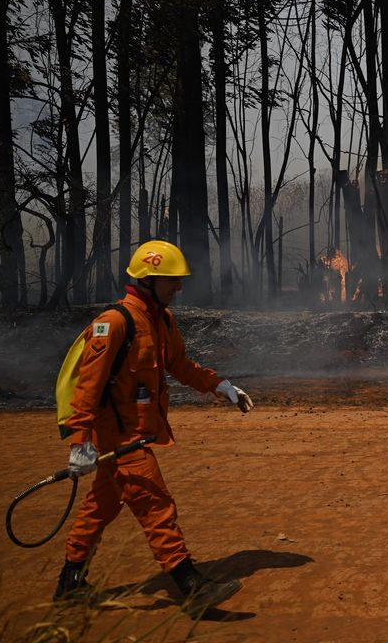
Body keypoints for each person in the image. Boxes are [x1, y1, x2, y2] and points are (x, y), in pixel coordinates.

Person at [53, 240, 254, 616]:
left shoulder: (160, 320)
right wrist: (80, 443)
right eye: (171, 281)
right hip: (119, 438)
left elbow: (180, 365)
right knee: (155, 503)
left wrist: (220, 386)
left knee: (100, 507)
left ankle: (70, 583)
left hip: (135, 434)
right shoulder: (113, 324)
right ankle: (189, 586)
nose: (178, 288)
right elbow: (88, 387)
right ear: (148, 280)